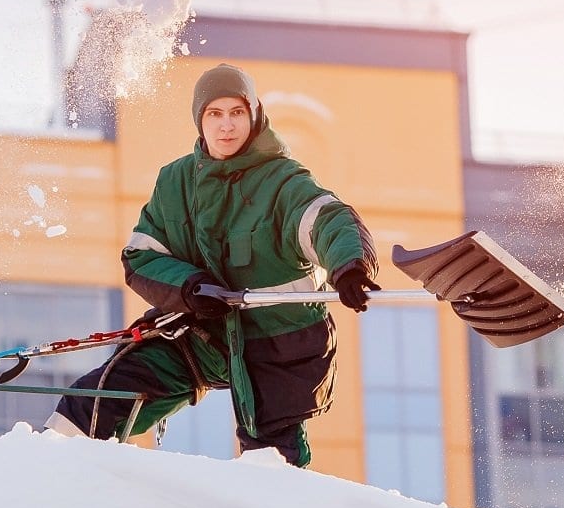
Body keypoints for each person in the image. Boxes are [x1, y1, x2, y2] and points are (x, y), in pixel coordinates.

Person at [47, 63, 380, 466]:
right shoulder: (176, 182)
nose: (226, 126)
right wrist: (191, 288)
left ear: (254, 115)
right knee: (98, 399)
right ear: (200, 120)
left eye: (237, 113)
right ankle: (51, 468)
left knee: (272, 466)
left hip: (278, 346)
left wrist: (349, 267)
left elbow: (328, 220)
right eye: (215, 114)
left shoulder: (284, 183)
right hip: (201, 334)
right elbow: (142, 256)